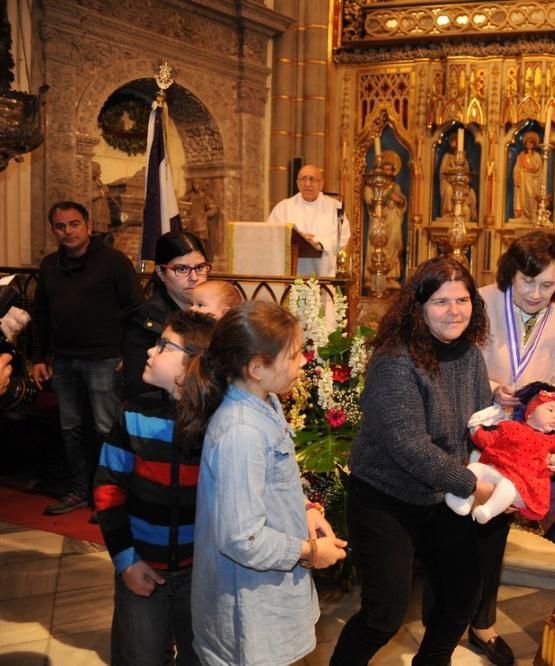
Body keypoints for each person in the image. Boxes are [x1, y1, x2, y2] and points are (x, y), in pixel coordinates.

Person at [330, 256, 493, 666]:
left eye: (462, 299)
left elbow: (478, 420)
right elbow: (407, 446)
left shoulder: (470, 355)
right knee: (384, 616)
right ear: (417, 307)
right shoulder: (395, 361)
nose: (454, 311)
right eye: (441, 301)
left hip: (442, 496)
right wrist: (472, 484)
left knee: (463, 594)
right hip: (386, 496)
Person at [182, 301, 348, 665]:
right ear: (257, 368)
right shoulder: (241, 431)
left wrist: (304, 513)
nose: (303, 362)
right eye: (293, 356)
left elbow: (269, 485)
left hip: (267, 593)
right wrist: (310, 553)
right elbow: (242, 538)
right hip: (247, 604)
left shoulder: (265, 400)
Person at [467, 230, 555, 664]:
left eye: (547, 285)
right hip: (473, 426)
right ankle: (447, 612)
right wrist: (494, 389)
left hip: (521, 448)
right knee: (454, 524)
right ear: (509, 273)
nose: (535, 293)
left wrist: (554, 416)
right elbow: (457, 364)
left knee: (492, 534)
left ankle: (483, 623)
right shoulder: (479, 303)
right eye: (526, 281)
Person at [93, 310, 217, 666]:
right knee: (139, 655)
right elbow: (108, 488)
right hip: (142, 564)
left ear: (193, 364)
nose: (150, 350)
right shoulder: (134, 413)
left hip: (201, 574)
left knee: (201, 656)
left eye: (164, 345)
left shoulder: (217, 423)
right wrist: (126, 560)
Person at [30, 201, 143, 515]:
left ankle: (109, 497)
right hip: (64, 360)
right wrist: (39, 357)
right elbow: (40, 314)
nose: (68, 231)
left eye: (74, 224)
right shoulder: (50, 265)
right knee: (71, 428)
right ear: (54, 230)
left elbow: (136, 311)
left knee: (106, 429)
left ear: (89, 226)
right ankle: (80, 489)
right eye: (61, 226)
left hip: (105, 360)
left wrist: (128, 355)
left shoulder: (114, 262)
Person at [446, 383, 555, 524]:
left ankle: (488, 511)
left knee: (508, 488)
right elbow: (490, 440)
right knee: (475, 468)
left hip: (523, 483)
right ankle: (463, 500)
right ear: (530, 412)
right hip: (497, 468)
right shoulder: (510, 426)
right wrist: (477, 431)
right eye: (550, 410)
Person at [121, 231, 210, 410]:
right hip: (160, 412)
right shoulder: (145, 318)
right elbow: (137, 384)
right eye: (181, 269)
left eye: (200, 267)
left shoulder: (214, 309)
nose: (194, 277)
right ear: (161, 273)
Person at [268, 164, 352, 276]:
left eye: (312, 179)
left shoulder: (335, 208)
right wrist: (296, 241)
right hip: (291, 274)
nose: (307, 184)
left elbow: (343, 238)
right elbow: (271, 236)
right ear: (298, 183)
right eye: (304, 179)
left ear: (321, 184)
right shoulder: (283, 208)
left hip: (323, 274)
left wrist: (319, 244)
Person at [363, 150, 408, 288]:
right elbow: (370, 201)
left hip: (393, 219)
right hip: (379, 221)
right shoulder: (371, 186)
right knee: (376, 244)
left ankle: (390, 276)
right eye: (385, 170)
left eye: (390, 170)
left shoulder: (395, 187)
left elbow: (402, 202)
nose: (388, 173)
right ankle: (373, 277)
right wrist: (384, 197)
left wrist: (399, 200)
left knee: (394, 241)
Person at [513, 131, 544, 221]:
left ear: (534, 144)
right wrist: (519, 174)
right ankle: (523, 215)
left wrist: (531, 168)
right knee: (522, 198)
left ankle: (532, 214)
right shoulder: (521, 155)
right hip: (523, 179)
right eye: (528, 142)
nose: (529, 144)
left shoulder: (537, 156)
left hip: (533, 181)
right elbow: (516, 168)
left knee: (532, 196)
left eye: (531, 143)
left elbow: (538, 169)